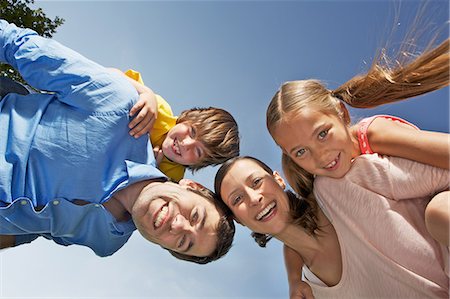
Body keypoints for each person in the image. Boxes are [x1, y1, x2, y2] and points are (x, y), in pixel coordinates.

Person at [0, 19, 234, 264]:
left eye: (184, 242)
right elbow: (15, 42)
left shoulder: (107, 242)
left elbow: (33, 231)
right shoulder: (122, 106)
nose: (177, 225)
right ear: (191, 186)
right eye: (195, 216)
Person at [215, 156, 449, 298]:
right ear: (239, 220)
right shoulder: (310, 292)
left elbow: (442, 174)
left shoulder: (338, 187)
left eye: (256, 182)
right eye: (237, 200)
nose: (254, 198)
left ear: (278, 179)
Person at [118, 69, 240, 182]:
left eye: (198, 151)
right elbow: (109, 75)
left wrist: (150, 170)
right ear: (186, 118)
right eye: (192, 132)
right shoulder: (158, 110)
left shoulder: (172, 177)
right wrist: (146, 92)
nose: (186, 144)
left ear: (198, 164)